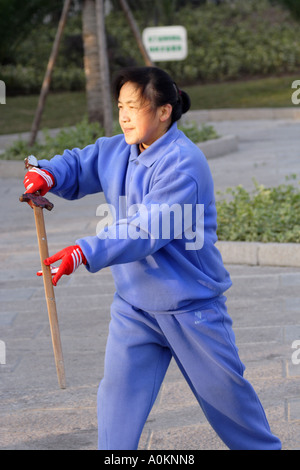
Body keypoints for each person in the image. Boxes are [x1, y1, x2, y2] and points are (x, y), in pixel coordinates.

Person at [23, 66, 281, 451]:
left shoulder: (183, 164)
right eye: (121, 106)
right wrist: (48, 174)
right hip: (135, 309)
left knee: (233, 411)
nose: (124, 116)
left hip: (191, 310)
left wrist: (84, 251)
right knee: (116, 414)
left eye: (134, 107)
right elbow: (81, 163)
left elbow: (146, 231)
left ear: (164, 111)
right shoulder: (118, 150)